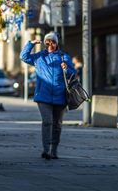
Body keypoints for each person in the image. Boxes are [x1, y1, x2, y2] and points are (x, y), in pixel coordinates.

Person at [20, 32, 76, 160]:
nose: (50, 45)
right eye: (47, 42)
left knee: (57, 124)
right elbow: (24, 57)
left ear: (57, 44)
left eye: (53, 42)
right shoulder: (39, 57)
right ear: (45, 44)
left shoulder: (63, 57)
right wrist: (30, 44)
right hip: (43, 97)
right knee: (47, 122)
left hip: (60, 97)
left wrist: (66, 68)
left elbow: (73, 73)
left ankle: (54, 150)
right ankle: (46, 150)